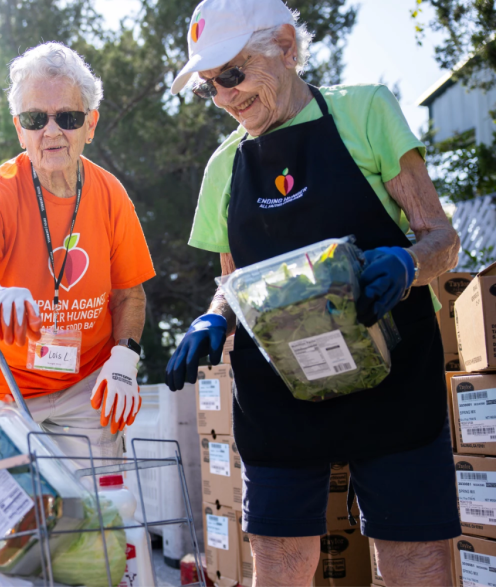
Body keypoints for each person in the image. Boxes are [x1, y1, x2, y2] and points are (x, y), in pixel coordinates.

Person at [164, 1, 462, 584]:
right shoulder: (223, 167)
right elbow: (231, 281)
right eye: (209, 86)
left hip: (393, 376)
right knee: (278, 557)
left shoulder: (365, 110)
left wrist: (407, 261)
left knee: (414, 556)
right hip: (279, 392)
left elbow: (443, 238)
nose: (225, 97)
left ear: (285, 45)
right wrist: (214, 319)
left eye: (233, 74)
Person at [0, 42, 156, 460]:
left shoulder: (112, 195)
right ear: (19, 129)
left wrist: (125, 358)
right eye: (34, 119)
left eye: (67, 117)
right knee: (6, 517)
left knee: (100, 516)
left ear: (90, 124)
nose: (51, 131)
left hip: (85, 382)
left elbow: (129, 293)